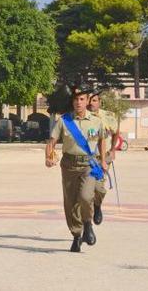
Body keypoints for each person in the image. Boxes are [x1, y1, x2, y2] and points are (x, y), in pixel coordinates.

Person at [45, 84, 107, 253]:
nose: (78, 102)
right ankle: (77, 235)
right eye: (75, 99)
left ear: (87, 101)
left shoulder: (96, 121)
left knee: (86, 196)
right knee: (71, 203)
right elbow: (51, 142)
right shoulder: (64, 121)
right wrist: (48, 157)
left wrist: (103, 160)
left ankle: (88, 225)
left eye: (81, 99)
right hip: (69, 165)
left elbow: (102, 140)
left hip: (89, 164)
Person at [88, 89, 120, 225]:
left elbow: (116, 132)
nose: (91, 103)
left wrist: (113, 150)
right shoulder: (81, 117)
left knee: (99, 188)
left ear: (100, 102)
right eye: (89, 100)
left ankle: (97, 206)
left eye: (94, 100)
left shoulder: (108, 116)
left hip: (101, 158)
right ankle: (85, 219)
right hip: (85, 157)